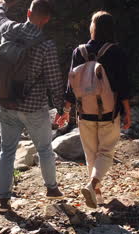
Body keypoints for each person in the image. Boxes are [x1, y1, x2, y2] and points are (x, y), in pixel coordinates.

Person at [0, 0, 66, 213]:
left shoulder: (9, 30)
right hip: (34, 107)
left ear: (28, 13)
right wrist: (62, 109)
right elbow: (54, 82)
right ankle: (51, 188)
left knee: (7, 151)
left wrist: (1, 5)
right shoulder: (46, 45)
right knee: (44, 149)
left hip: (6, 102)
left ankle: (4, 199)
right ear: (47, 19)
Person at [56, 11, 132, 208]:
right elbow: (123, 86)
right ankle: (92, 185)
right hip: (109, 112)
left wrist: (66, 111)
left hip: (84, 112)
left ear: (94, 28)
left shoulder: (78, 52)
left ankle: (97, 198)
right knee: (105, 153)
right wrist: (127, 113)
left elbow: (70, 85)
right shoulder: (116, 52)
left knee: (91, 154)